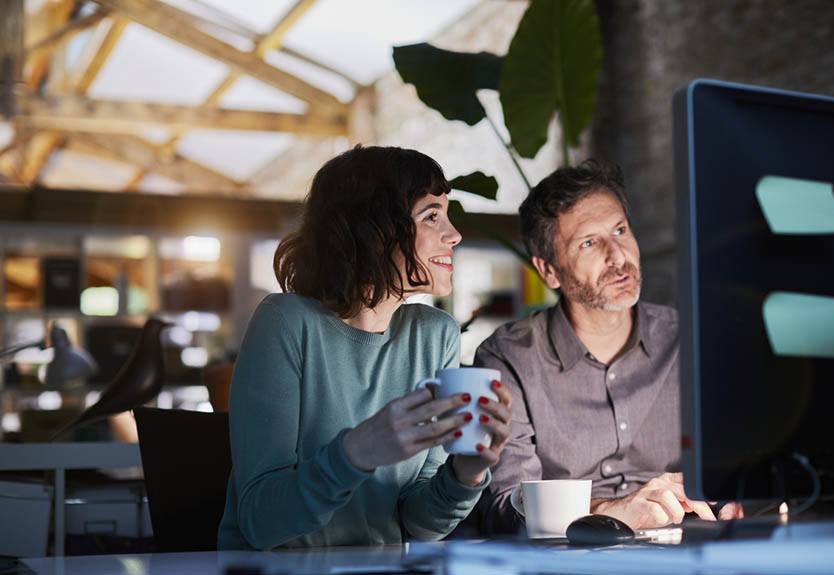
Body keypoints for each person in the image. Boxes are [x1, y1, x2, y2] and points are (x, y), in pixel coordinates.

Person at [218, 146, 513, 550]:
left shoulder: (435, 335)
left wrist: (466, 474)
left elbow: (420, 523)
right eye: (431, 216)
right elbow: (260, 522)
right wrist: (357, 451)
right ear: (375, 230)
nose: (454, 234)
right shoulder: (286, 322)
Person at [475, 160, 740, 534]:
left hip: (693, 552)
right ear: (549, 270)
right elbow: (504, 507)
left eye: (620, 230)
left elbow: (741, 465)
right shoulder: (509, 359)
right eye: (589, 242)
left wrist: (737, 497)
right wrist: (615, 512)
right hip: (568, 561)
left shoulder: (691, 340)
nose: (618, 257)